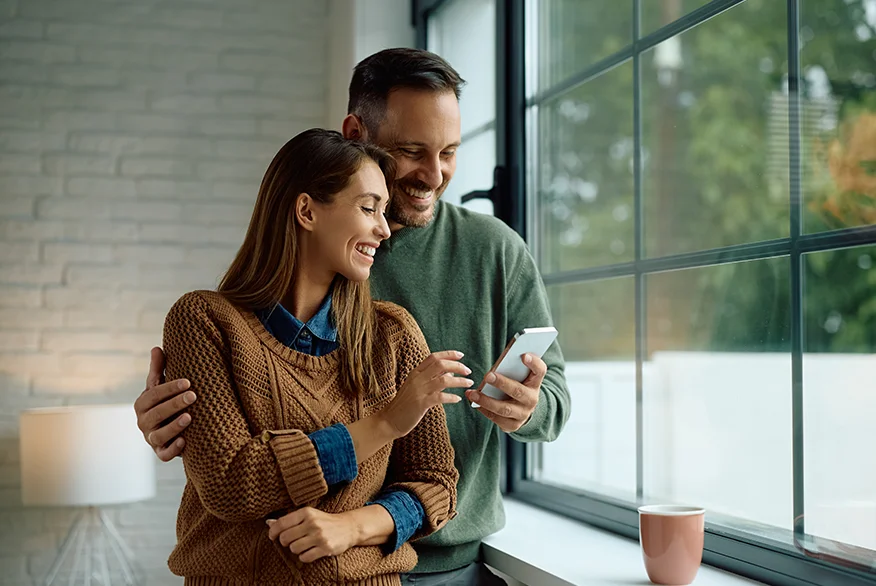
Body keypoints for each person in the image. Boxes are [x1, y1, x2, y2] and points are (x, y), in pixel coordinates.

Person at [136, 48, 571, 586]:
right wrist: (183, 425)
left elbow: (537, 412)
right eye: (412, 151)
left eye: (450, 153)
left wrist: (526, 408)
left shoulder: (476, 263)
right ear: (355, 134)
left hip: (433, 560)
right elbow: (234, 470)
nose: (433, 175)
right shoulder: (234, 310)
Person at [161, 128, 466, 585]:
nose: (384, 229)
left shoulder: (394, 334)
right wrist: (383, 424)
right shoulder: (205, 321)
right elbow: (231, 483)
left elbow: (437, 485)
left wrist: (352, 527)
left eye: (384, 211)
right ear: (306, 210)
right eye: (368, 208)